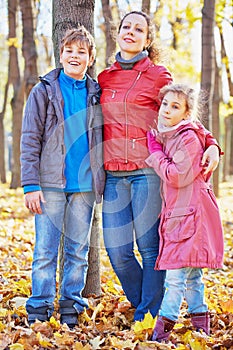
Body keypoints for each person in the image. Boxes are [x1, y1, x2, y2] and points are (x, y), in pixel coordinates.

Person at [98, 10, 221, 322]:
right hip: (113, 175)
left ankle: (148, 316)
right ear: (118, 33)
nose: (131, 32)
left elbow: (182, 114)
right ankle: (150, 305)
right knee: (118, 252)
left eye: (138, 29)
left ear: (147, 39)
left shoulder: (158, 75)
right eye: (126, 27)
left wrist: (210, 143)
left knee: (150, 248)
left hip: (147, 174)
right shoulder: (104, 78)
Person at [20, 26, 105, 328]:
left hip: (84, 187)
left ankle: (71, 306)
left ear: (90, 58)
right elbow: (30, 138)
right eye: (69, 50)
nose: (74, 55)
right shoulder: (43, 91)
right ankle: (39, 308)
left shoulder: (97, 94)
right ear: (61, 53)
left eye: (81, 51)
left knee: (78, 252)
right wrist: (30, 184)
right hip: (50, 185)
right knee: (45, 251)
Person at [145, 83, 224, 341]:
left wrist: (155, 153)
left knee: (176, 277)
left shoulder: (187, 138)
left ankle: (161, 333)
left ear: (186, 113)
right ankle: (202, 327)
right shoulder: (174, 135)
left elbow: (177, 176)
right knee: (193, 276)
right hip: (186, 215)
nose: (167, 110)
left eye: (175, 106)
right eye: (165, 104)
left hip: (190, 218)